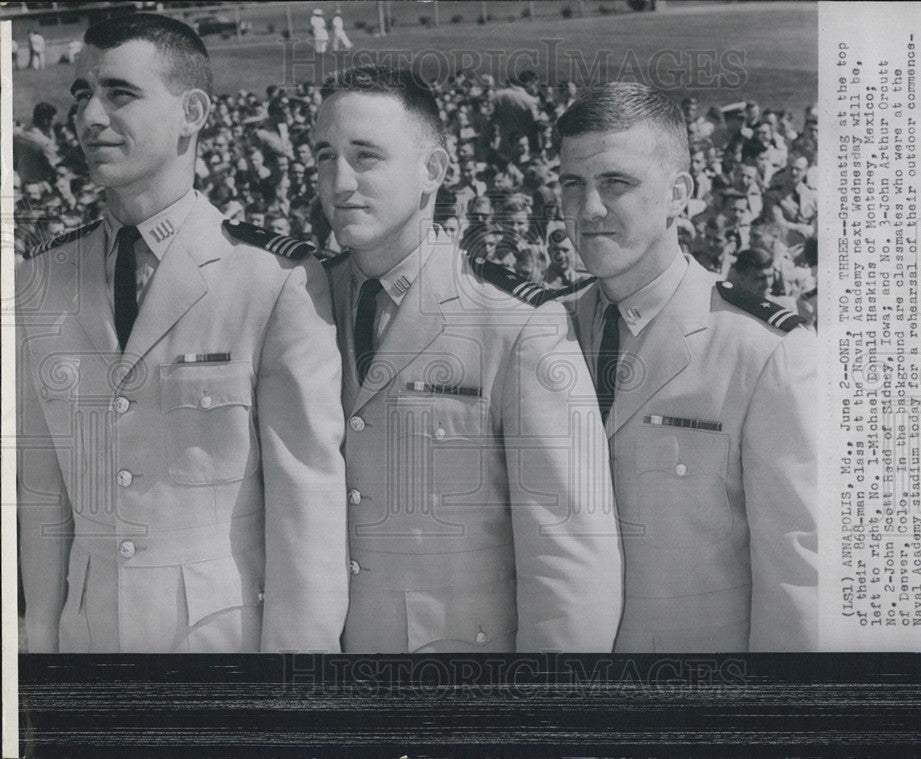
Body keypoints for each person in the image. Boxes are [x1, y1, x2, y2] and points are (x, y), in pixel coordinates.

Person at [16, 13, 349, 654]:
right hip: (89, 657)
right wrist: (41, 652)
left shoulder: (271, 279)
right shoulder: (45, 277)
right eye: (82, 94)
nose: (87, 118)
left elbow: (305, 507)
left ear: (192, 112)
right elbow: (43, 495)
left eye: (119, 93)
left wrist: (294, 700)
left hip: (221, 654)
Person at [313, 65, 622, 653]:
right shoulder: (301, 300)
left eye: (366, 156)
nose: (340, 180)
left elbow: (571, 565)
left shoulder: (518, 323)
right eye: (325, 157)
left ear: (433, 170)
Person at [557, 82, 817, 652]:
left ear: (679, 194)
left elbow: (797, 580)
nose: (590, 209)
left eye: (616, 183)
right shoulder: (545, 331)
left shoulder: (761, 351)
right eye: (572, 185)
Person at [13, 102, 61, 185]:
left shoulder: (17, 135)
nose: (54, 124)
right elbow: (55, 167)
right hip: (41, 186)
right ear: (46, 121)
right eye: (53, 121)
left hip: (23, 182)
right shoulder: (44, 143)